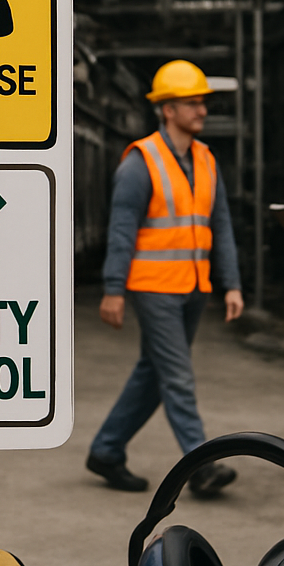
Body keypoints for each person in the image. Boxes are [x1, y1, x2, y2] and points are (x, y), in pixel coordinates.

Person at [87, 60, 244, 495]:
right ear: (167, 110)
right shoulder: (140, 163)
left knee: (153, 374)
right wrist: (113, 289)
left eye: (202, 103)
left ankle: (106, 449)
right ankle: (201, 465)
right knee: (176, 374)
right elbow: (122, 230)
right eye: (192, 103)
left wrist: (231, 283)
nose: (202, 111)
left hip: (193, 286)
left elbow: (221, 226)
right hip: (153, 286)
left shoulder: (207, 160)